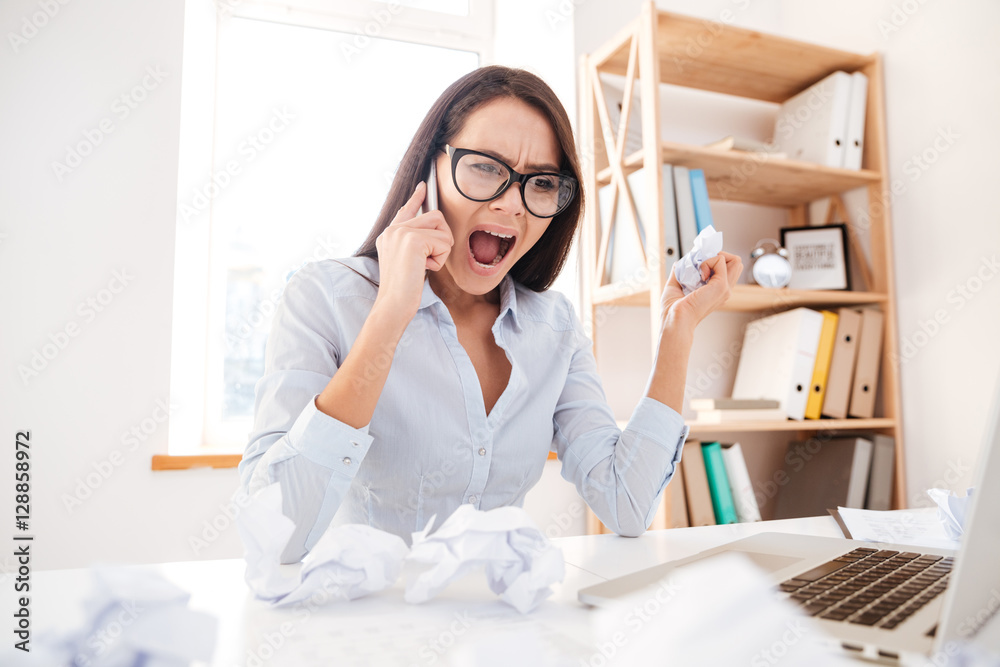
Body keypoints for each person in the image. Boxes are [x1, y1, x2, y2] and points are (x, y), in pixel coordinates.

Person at [239, 65, 742, 564]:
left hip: (500, 628)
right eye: (485, 167)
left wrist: (678, 329)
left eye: (541, 182)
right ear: (430, 170)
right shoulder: (325, 298)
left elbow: (626, 504)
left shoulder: (555, 328)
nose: (511, 205)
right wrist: (391, 313)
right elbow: (276, 535)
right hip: (363, 629)